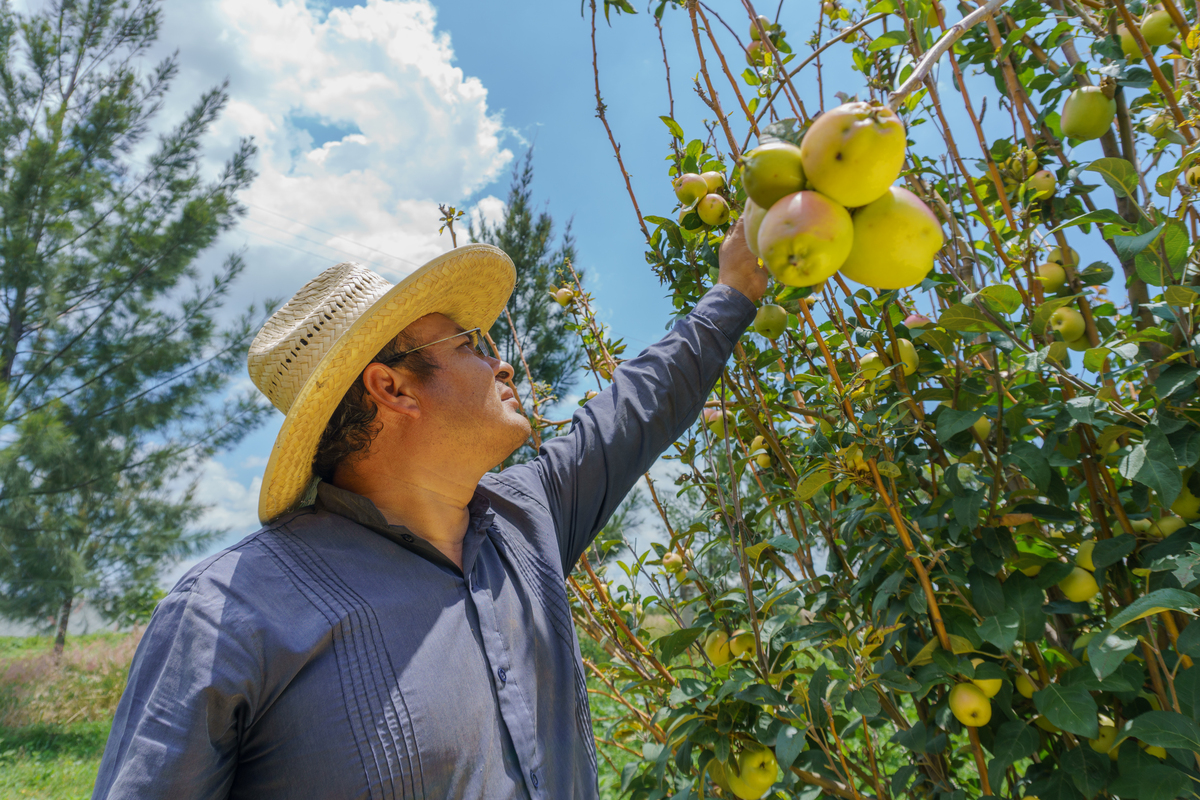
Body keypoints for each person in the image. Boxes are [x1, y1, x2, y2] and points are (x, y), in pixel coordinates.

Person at [93, 220, 768, 799]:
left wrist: (733, 289)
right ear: (392, 388)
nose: (502, 364)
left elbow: (637, 409)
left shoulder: (527, 518)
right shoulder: (229, 614)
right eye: (473, 344)